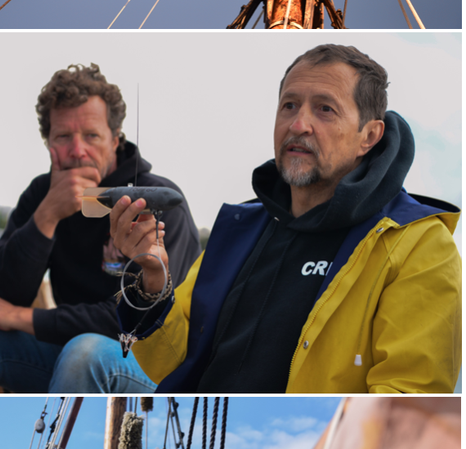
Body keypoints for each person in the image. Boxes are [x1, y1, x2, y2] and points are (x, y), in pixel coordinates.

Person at [110, 43, 462, 392]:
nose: (299, 124)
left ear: (368, 136)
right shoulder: (238, 229)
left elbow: (406, 400)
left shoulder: (419, 243)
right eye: (289, 105)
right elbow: (171, 365)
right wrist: (153, 280)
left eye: (325, 109)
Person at [0, 64, 200, 393]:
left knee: (85, 350)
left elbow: (137, 324)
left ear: (115, 139)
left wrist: (22, 318)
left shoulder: (156, 202)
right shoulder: (42, 193)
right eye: (63, 136)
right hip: (68, 351)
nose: (77, 150)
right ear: (48, 142)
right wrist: (47, 215)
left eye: (91, 136)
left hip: (152, 371)